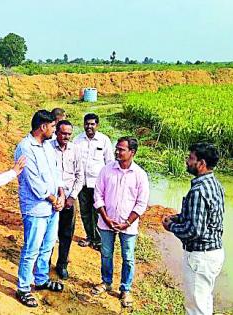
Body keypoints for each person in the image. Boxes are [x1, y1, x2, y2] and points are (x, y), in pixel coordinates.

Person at [163, 143, 225, 315]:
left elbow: (194, 230)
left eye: (191, 158)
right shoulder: (215, 184)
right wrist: (178, 217)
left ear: (201, 163)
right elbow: (205, 217)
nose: (187, 161)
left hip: (200, 257)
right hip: (213, 252)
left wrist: (171, 226)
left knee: (195, 307)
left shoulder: (198, 190)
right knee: (204, 301)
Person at [14, 110, 65, 308]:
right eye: (53, 126)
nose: (55, 129)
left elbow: (56, 172)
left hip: (53, 206)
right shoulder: (25, 148)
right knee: (31, 248)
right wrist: (54, 199)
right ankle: (23, 287)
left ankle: (41, 278)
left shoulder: (48, 146)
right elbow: (34, 183)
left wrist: (61, 194)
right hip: (36, 208)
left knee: (48, 245)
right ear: (43, 127)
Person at [92, 137, 149, 308]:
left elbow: (141, 202)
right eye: (117, 148)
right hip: (106, 222)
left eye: (121, 149)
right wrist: (105, 217)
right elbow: (98, 195)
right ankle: (106, 282)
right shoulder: (106, 170)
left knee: (128, 258)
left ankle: (126, 289)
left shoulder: (140, 174)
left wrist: (127, 222)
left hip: (128, 225)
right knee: (106, 253)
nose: (117, 152)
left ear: (132, 152)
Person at [74, 113, 114, 251]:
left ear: (97, 125)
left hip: (98, 184)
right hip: (82, 183)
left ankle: (99, 240)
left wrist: (109, 183)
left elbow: (109, 162)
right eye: (87, 124)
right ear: (83, 124)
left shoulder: (104, 140)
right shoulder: (77, 140)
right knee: (85, 212)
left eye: (92, 124)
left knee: (98, 212)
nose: (89, 126)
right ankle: (90, 237)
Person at [50, 120, 84, 279]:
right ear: (56, 132)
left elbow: (80, 176)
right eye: (63, 133)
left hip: (70, 198)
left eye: (69, 134)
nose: (66, 136)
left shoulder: (75, 150)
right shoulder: (48, 148)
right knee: (48, 233)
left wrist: (72, 197)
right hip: (52, 199)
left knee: (66, 233)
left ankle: (62, 264)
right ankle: (45, 263)